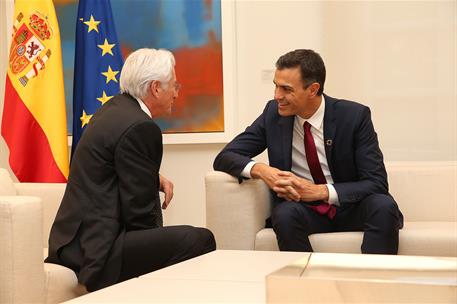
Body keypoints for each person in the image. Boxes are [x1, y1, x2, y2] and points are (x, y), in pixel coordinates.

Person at [46, 48, 216, 291]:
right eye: (174, 86)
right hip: (98, 249)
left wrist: (152, 177)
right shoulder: (141, 126)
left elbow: (109, 164)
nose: (176, 94)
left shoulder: (113, 109)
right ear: (156, 88)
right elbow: (140, 214)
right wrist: (156, 244)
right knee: (200, 239)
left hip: (71, 241)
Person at [214, 49, 403, 254]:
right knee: (284, 214)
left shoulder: (354, 116)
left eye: (286, 89)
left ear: (313, 89)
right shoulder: (274, 114)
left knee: (383, 206)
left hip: (351, 206)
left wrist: (319, 191)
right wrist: (262, 170)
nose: (277, 96)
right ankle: (304, 283)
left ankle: (372, 283)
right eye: (276, 86)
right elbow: (225, 156)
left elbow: (376, 182)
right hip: (306, 209)